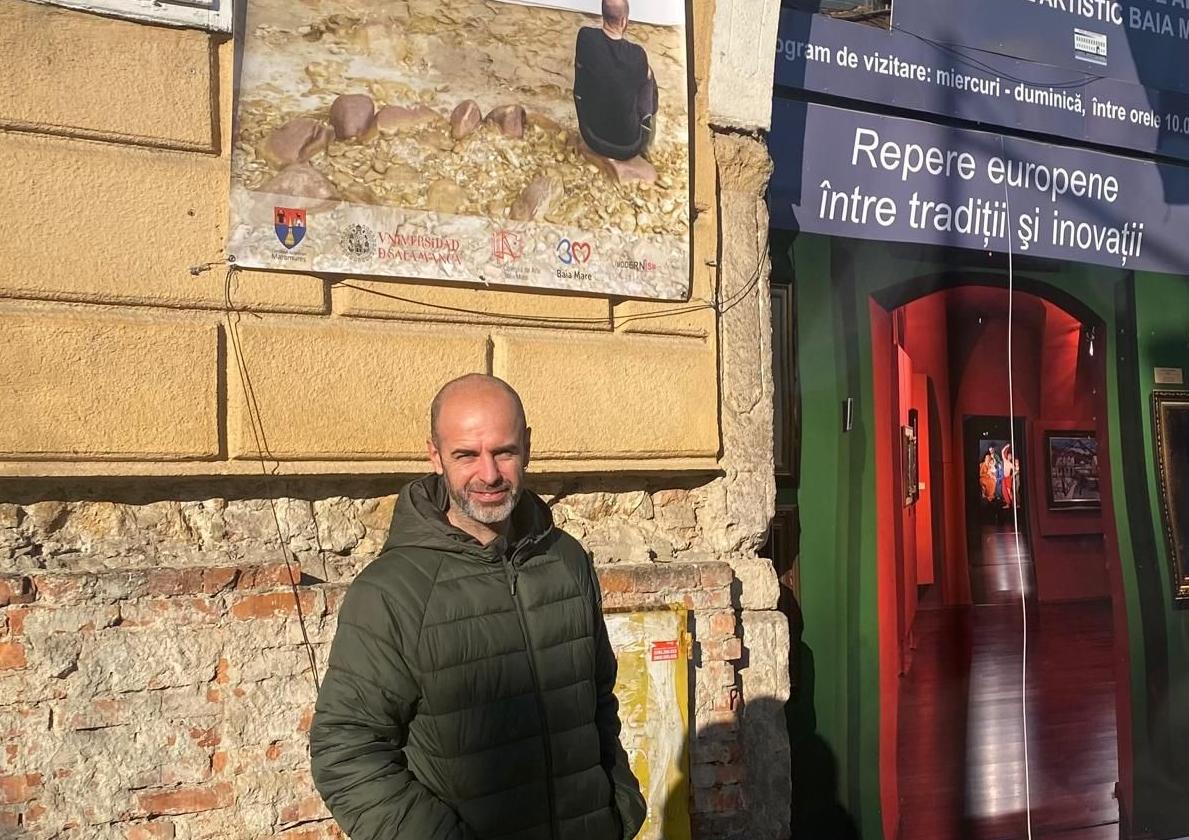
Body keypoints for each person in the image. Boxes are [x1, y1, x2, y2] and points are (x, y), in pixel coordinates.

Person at [309, 374, 646, 840]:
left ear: (527, 445)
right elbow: (346, 754)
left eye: (504, 452)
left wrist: (620, 804)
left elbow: (599, 697)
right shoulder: (391, 592)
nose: (488, 475)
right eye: (466, 454)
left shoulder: (566, 560)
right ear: (435, 455)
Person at [573, 0, 659, 161]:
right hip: (628, 147)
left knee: (589, 69)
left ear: (603, 15)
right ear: (624, 21)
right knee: (648, 78)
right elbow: (643, 79)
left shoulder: (585, 37)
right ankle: (647, 144)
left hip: (590, 134)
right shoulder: (637, 55)